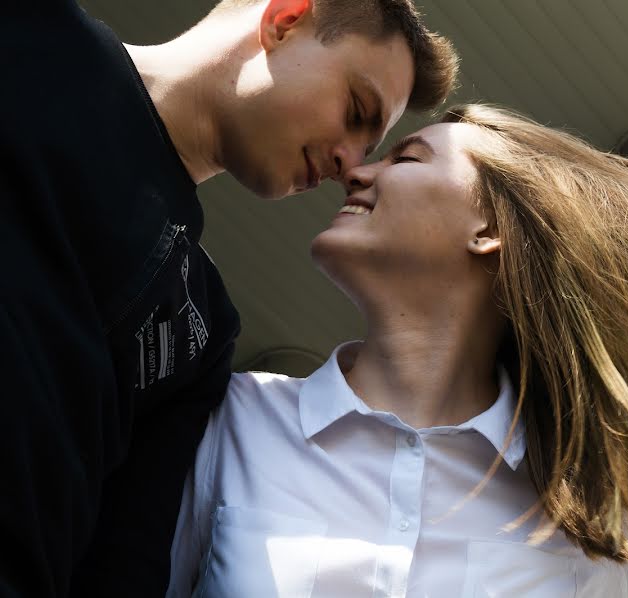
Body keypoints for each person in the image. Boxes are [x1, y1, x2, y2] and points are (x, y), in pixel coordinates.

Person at [168, 104, 628, 596]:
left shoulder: (588, 508)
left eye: (409, 158)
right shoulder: (230, 422)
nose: (359, 171)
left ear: (491, 230)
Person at [0, 0, 457, 595]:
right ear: (285, 20)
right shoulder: (27, 31)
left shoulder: (203, 331)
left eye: (369, 148)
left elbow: (122, 566)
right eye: (356, 111)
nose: (350, 164)